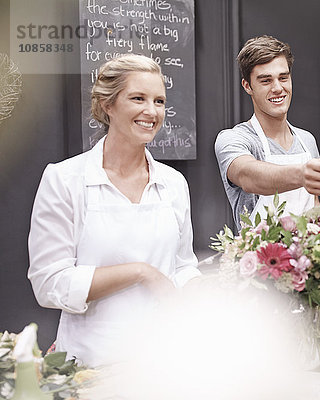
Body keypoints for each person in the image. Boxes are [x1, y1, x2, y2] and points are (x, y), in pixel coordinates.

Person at [28, 54, 202, 367]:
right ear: (108, 105)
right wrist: (140, 272)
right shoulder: (65, 179)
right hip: (90, 365)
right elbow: (49, 283)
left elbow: (182, 266)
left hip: (165, 363)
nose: (151, 112)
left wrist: (204, 290)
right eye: (138, 98)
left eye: (159, 101)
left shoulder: (173, 183)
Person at [215, 35, 320, 230]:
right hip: (260, 258)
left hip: (307, 256)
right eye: (266, 81)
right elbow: (249, 177)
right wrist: (305, 173)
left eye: (283, 78)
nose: (278, 88)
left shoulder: (306, 140)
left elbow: (314, 205)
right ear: (247, 86)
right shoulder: (233, 139)